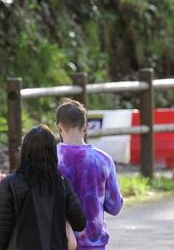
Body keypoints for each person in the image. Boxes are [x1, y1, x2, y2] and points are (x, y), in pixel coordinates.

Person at [0, 125, 86, 250]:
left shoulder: (10, 185)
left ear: (24, 151)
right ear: (52, 153)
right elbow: (80, 223)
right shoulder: (62, 184)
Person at [55, 99, 123, 249]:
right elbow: (115, 207)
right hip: (94, 244)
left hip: (59, 242)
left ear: (59, 127)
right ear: (86, 128)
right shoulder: (103, 160)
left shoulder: (51, 159)